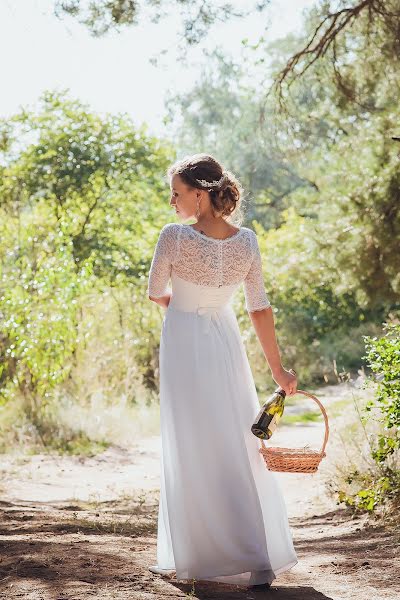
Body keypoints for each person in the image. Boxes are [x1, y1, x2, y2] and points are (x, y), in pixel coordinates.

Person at [146, 153, 298, 590]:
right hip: (226, 340)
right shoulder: (247, 241)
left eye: (176, 193)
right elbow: (259, 307)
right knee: (236, 439)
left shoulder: (173, 237)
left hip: (183, 339)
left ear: (200, 194)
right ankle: (255, 557)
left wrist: (185, 311)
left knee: (190, 440)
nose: (172, 201)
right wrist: (279, 369)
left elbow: (156, 291)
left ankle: (198, 553)